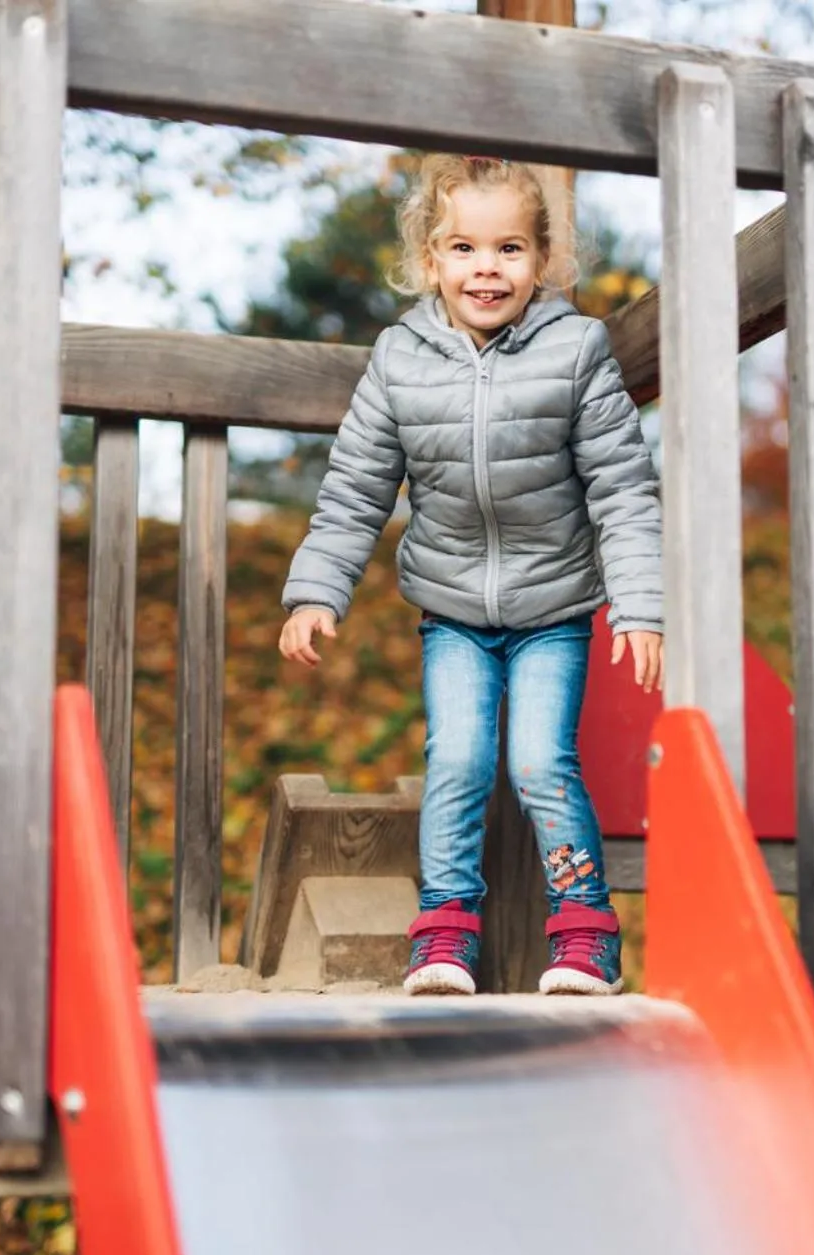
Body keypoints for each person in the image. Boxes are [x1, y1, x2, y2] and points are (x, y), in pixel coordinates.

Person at [279, 154, 663, 998]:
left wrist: (639, 604)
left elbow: (623, 487)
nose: (486, 267)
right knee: (456, 756)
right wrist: (317, 589)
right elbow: (355, 487)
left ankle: (586, 932)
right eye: (463, 247)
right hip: (451, 609)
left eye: (509, 248)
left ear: (543, 263)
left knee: (538, 760)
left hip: (553, 607)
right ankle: (445, 930)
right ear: (430, 261)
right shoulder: (399, 358)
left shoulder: (575, 350)